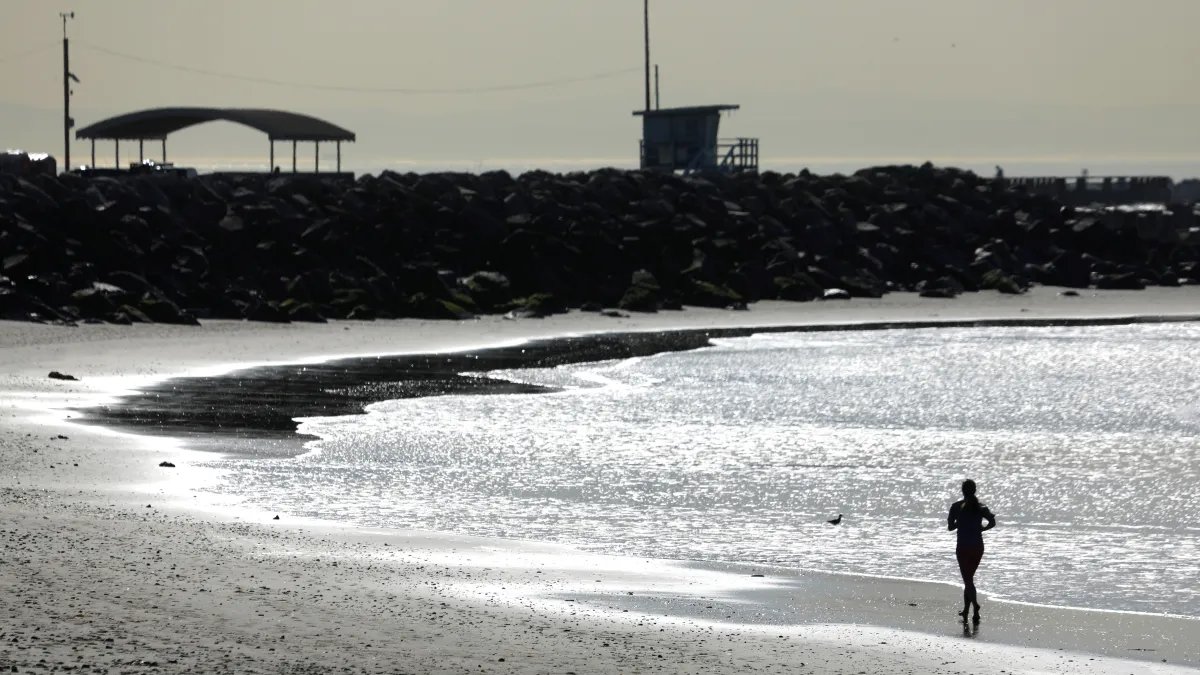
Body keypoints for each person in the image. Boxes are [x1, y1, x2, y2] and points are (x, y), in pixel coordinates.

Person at [947, 479, 995, 622]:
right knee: (969, 579)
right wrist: (982, 528)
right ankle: (969, 611)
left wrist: (959, 523)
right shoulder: (981, 507)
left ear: (962, 491)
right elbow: (992, 522)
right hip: (977, 547)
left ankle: (975, 606)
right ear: (974, 490)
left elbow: (950, 527)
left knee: (968, 580)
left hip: (963, 547)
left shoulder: (956, 507)